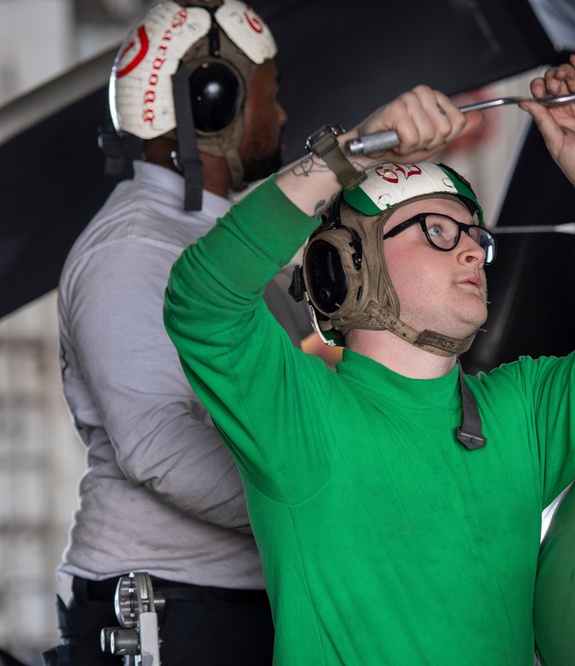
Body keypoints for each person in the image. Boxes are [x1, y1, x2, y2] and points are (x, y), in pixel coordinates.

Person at [163, 54, 575, 664]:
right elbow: (201, 301)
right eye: (438, 232)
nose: (472, 252)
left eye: (476, 236)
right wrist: (351, 156)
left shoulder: (519, 414)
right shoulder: (302, 417)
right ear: (345, 269)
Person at [45, 1, 312, 664]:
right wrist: (319, 499)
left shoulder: (216, 242)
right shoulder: (131, 249)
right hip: (175, 611)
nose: (279, 116)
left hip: (228, 604)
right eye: (269, 96)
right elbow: (159, 448)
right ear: (212, 106)